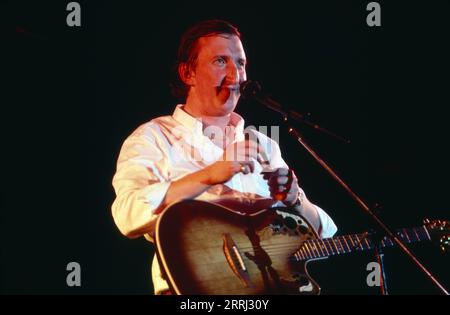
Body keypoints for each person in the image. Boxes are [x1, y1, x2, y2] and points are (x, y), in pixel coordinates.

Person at [111, 19, 337, 295]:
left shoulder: (263, 144)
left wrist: (296, 200)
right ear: (187, 73)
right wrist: (209, 175)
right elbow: (127, 214)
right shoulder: (154, 136)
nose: (236, 74)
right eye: (221, 61)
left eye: (240, 64)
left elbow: (324, 232)